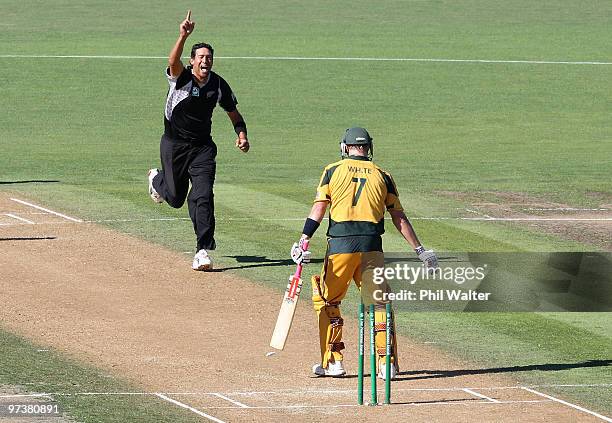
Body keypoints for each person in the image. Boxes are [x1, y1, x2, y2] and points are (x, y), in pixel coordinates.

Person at [290, 127, 438, 379]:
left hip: (340, 246)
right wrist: (420, 250)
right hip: (372, 246)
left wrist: (303, 240)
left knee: (328, 301)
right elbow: (399, 217)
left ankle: (334, 361)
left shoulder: (332, 170)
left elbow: (319, 208)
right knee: (379, 303)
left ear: (345, 147)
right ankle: (386, 364)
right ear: (368, 148)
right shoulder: (383, 175)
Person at [148, 11, 250, 271]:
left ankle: (202, 249)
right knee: (175, 198)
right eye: (201, 57)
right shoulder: (181, 78)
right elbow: (172, 60)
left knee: (203, 195)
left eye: (209, 57)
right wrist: (183, 35)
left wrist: (241, 135)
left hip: (203, 149)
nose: (206, 61)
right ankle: (156, 179)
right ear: (192, 62)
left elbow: (234, 113)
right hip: (174, 145)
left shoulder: (217, 84)